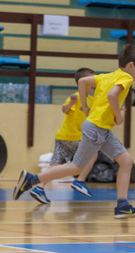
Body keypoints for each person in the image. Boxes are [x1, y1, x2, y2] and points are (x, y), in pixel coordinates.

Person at [14, 45, 135, 218]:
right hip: (97, 129)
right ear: (130, 66)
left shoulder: (108, 76)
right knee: (75, 168)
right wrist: (119, 116)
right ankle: (31, 180)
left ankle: (122, 205)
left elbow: (82, 82)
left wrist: (85, 107)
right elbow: (112, 96)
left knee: (126, 161)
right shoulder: (126, 78)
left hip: (101, 129)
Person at [29, 68, 99, 204]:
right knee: (93, 154)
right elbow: (65, 109)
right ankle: (80, 181)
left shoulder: (91, 100)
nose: (95, 83)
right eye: (92, 80)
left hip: (62, 137)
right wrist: (71, 103)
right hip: (73, 137)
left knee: (55, 165)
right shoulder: (76, 97)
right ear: (83, 83)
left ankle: (39, 188)